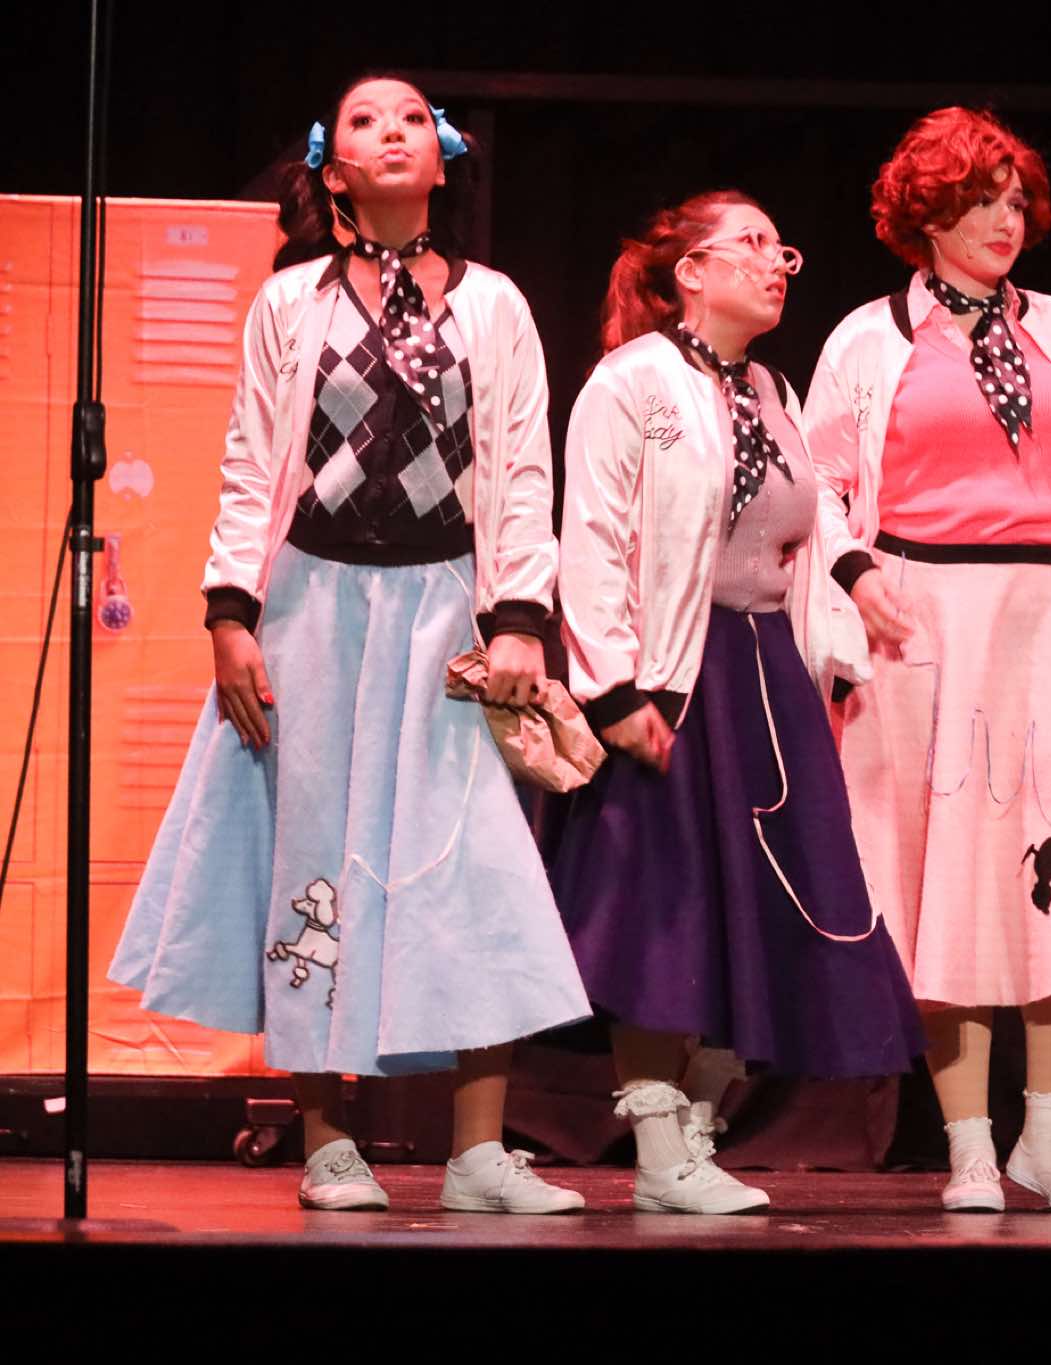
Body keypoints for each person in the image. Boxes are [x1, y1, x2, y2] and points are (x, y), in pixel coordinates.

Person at [110, 74, 591, 1215]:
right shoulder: (291, 302)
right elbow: (249, 459)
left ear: (442, 156)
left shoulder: (492, 304)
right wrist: (230, 611)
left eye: (414, 118)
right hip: (314, 603)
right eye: (368, 121)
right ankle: (329, 1137)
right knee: (312, 851)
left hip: (445, 603)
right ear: (335, 169)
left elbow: (523, 461)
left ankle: (478, 1151)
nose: (394, 132)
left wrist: (518, 616)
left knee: (471, 861)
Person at [803, 107, 1051, 1213]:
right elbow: (813, 482)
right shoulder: (868, 339)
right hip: (924, 620)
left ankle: (1047, 1141)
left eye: (1015, 201)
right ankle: (969, 1144)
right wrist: (855, 572)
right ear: (926, 214)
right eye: (978, 201)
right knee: (947, 884)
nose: (1003, 221)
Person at [547, 192, 924, 1214]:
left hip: (764, 669)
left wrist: (855, 578)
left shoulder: (766, 386)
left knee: (773, 909)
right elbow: (591, 539)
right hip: (676, 672)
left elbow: (809, 509)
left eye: (780, 248)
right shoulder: (633, 381)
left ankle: (698, 1128)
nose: (775, 265)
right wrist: (614, 689)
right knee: (664, 911)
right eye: (751, 245)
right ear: (691, 273)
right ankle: (657, 1147)